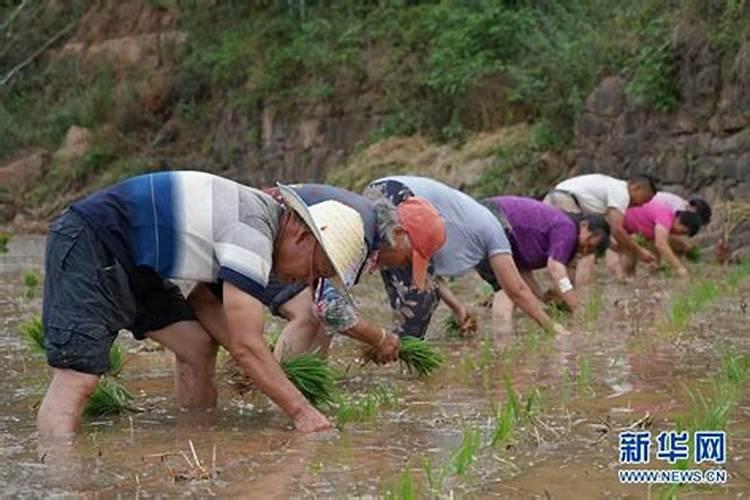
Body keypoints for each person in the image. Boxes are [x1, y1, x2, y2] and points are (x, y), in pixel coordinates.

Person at [38, 171, 368, 435]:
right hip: (92, 240)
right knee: (78, 376)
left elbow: (204, 302)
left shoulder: (261, 226)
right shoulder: (253, 234)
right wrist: (303, 413)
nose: (304, 282)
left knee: (196, 346)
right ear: (302, 236)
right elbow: (245, 345)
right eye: (315, 270)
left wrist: (261, 366)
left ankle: (196, 438)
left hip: (140, 263)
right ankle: (59, 477)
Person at [187, 183, 446, 362]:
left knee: (207, 300)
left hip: (244, 229)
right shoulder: (359, 229)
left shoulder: (370, 224)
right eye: (410, 256)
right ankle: (279, 388)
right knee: (308, 314)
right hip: (261, 236)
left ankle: (271, 372)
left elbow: (332, 300)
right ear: (399, 234)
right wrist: (380, 338)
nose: (403, 264)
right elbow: (329, 307)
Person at [366, 176, 570, 338]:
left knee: (411, 297)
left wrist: (458, 309)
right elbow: (515, 289)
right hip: (398, 195)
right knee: (418, 301)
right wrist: (550, 327)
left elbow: (429, 279)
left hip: (378, 190)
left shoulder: (460, 223)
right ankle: (401, 360)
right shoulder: (494, 234)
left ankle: (396, 354)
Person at [437, 196, 610, 335]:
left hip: (484, 217)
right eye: (589, 242)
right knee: (505, 289)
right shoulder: (567, 228)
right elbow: (556, 269)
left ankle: (501, 341)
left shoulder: (554, 231)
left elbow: (522, 273)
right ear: (584, 225)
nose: (585, 248)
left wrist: (542, 298)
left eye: (590, 250)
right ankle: (502, 345)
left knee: (507, 286)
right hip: (491, 218)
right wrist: (577, 308)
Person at [543, 173, 657, 284]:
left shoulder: (612, 188)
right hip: (565, 201)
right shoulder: (622, 192)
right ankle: (575, 293)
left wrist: (611, 244)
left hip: (555, 198)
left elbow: (605, 229)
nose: (641, 205)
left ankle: (562, 293)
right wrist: (639, 252)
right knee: (580, 250)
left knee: (565, 252)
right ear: (636, 187)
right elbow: (617, 230)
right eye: (645, 199)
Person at [620, 200, 703, 277]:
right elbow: (661, 244)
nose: (680, 234)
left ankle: (626, 279)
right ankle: (622, 277)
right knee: (627, 257)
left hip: (626, 230)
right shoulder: (666, 217)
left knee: (630, 254)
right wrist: (679, 267)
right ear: (679, 221)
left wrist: (654, 262)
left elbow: (655, 245)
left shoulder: (664, 224)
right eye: (683, 232)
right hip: (618, 223)